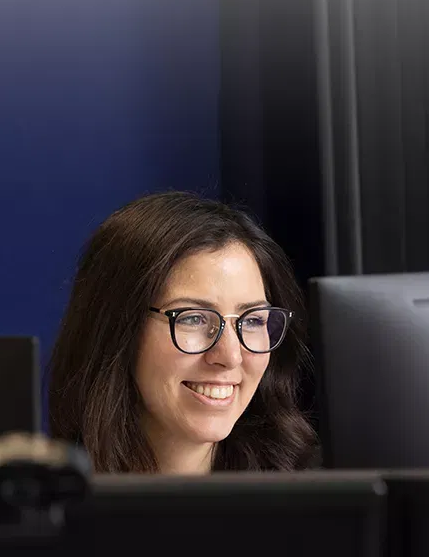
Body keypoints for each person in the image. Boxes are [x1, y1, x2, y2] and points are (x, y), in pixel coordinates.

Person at [48, 191, 319, 474]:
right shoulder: (43, 508)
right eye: (193, 318)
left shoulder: (317, 504)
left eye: (252, 321)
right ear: (117, 330)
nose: (230, 356)